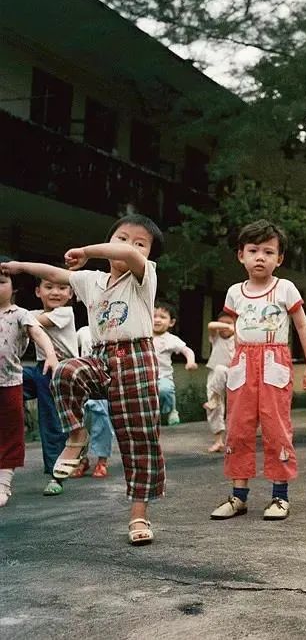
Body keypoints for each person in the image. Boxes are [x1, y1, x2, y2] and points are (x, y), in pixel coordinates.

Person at [1, 214, 166, 545]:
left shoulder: (143, 276)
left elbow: (131, 257)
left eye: (140, 243)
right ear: (110, 242)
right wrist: (19, 266)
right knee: (64, 372)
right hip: (101, 356)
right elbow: (55, 274)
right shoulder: (91, 281)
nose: (130, 247)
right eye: (121, 238)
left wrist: (90, 250)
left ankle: (138, 514)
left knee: (139, 439)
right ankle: (77, 436)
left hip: (136, 359)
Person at [210, 219, 306, 522]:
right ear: (240, 255)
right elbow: (228, 327)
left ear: (279, 259)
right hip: (242, 364)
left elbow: (301, 325)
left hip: (275, 362)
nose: (260, 257)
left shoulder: (285, 288)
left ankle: (279, 497)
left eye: (268, 252)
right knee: (238, 427)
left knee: (276, 429)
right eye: (253, 250)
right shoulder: (234, 292)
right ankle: (238, 496)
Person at [0, 259, 58, 507]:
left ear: (13, 287)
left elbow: (38, 333)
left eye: (1, 282)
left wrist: (51, 353)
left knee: (11, 433)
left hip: (10, 382)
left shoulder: (19, 314)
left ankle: (3, 484)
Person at [24, 277, 76, 496]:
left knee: (51, 421)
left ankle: (57, 475)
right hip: (40, 368)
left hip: (62, 371)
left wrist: (15, 314)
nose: (56, 292)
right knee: (11, 382)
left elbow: (32, 322)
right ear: (38, 291)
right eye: (49, 287)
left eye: (62, 288)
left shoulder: (66, 313)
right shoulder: (31, 314)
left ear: (71, 294)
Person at [71, 325, 114, 478]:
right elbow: (71, 347)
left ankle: (102, 461)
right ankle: (81, 460)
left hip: (103, 386)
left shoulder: (113, 330)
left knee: (103, 425)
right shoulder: (83, 331)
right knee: (80, 425)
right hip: (82, 384)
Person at [152, 300, 198, 426]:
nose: (157, 320)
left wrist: (190, 362)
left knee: (164, 390)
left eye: (162, 317)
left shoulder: (171, 339)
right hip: (145, 378)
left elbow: (187, 350)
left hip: (163, 377)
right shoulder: (143, 336)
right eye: (154, 316)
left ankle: (171, 410)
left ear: (171, 322)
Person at [203, 312, 235, 453]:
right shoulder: (215, 337)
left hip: (235, 375)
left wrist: (235, 328)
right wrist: (228, 326)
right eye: (222, 323)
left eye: (228, 323)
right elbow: (211, 325)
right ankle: (218, 441)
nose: (224, 327)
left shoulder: (239, 337)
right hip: (216, 375)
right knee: (214, 408)